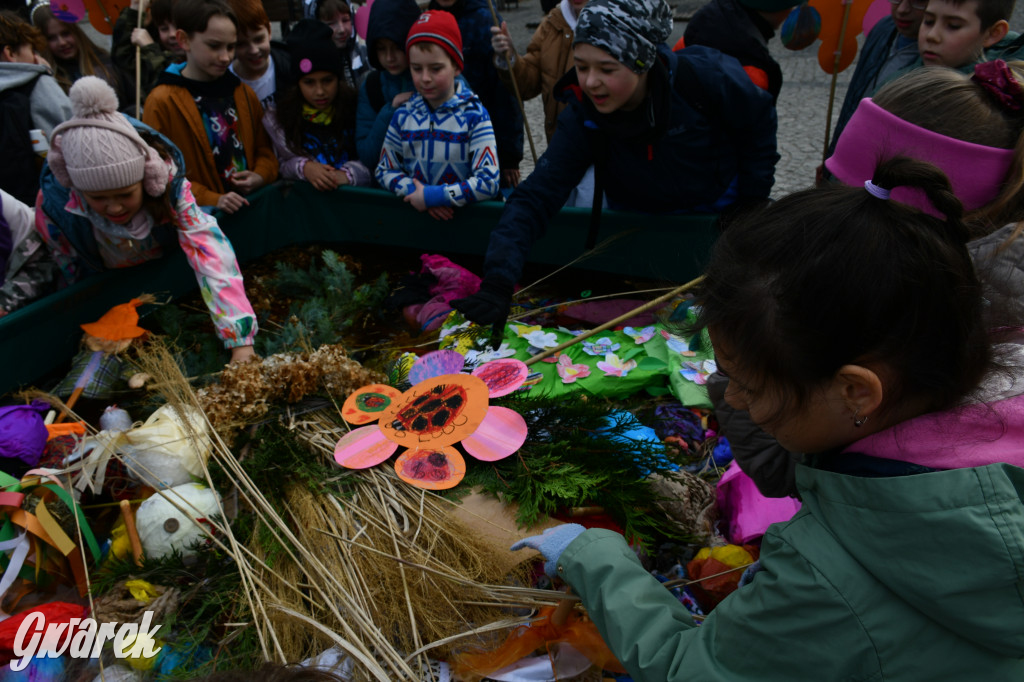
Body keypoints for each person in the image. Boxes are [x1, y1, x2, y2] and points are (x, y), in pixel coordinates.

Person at [511, 156, 1024, 680]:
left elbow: (692, 670)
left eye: (750, 385)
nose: (731, 399)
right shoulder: (979, 424)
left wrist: (591, 555)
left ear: (855, 391)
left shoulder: (823, 578)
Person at [711, 60, 1024, 500]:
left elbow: (790, 471)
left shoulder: (920, 325)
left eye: (852, 201)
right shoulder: (946, 290)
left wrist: (746, 362)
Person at [452, 0, 778, 327]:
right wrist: (497, 282)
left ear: (642, 62)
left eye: (606, 69)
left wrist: (750, 202)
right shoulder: (583, 112)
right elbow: (535, 197)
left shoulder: (705, 79)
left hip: (712, 213)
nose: (590, 82)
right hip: (631, 218)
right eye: (581, 66)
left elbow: (758, 124)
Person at [27, 77, 257, 361]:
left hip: (173, 284)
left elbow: (210, 252)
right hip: (113, 294)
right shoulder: (56, 207)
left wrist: (239, 339)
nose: (113, 208)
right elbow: (70, 270)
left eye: (125, 194)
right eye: (97, 198)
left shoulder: (170, 189)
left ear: (148, 178)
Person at [142, 0, 279, 213]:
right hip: (202, 222)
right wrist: (212, 198)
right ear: (184, 40)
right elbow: (160, 174)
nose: (225, 57)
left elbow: (265, 149)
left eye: (231, 47)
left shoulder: (243, 93)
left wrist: (260, 174)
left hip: (253, 212)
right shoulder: (162, 102)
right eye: (214, 46)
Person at [375, 11, 500, 219]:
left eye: (435, 68)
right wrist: (417, 194)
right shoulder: (403, 115)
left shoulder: (475, 115)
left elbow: (489, 181)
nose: (425, 78)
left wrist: (435, 196)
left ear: (456, 66)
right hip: (417, 226)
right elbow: (384, 170)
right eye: (416, 68)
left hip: (466, 226)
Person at [263, 20, 370, 190]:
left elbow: (371, 158)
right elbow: (282, 164)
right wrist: (304, 168)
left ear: (338, 78)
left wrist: (348, 175)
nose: (320, 91)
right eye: (309, 82)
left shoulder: (355, 107)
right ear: (297, 83)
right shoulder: (281, 117)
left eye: (327, 81)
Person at [429, 0, 524, 187]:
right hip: (442, 145)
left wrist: (509, 156)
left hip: (486, 142)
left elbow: (505, 91)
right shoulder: (429, 19)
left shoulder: (485, 19)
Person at [826, 0, 926, 158]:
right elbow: (854, 98)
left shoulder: (935, 59)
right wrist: (833, 155)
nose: (902, 9)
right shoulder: (883, 29)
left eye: (917, 2)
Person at [0, 10, 72, 205]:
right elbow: (71, 137)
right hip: (48, 203)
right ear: (11, 53)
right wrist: (46, 76)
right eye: (31, 51)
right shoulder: (38, 84)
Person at [489, 0, 584, 143]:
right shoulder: (551, 23)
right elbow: (528, 83)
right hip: (560, 147)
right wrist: (510, 57)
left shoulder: (617, 21)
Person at [682, 0, 801, 103]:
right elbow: (755, 125)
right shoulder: (753, 72)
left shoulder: (703, 22)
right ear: (780, 9)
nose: (792, 11)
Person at [354, 0, 419, 170]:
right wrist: (389, 112)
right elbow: (367, 156)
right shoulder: (372, 86)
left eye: (397, 47)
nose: (389, 57)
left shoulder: (439, 79)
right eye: (382, 49)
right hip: (388, 189)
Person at [31, 4, 126, 102]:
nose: (62, 42)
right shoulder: (49, 81)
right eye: (51, 38)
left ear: (76, 32)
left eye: (65, 33)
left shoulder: (105, 63)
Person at [111, 0, 185, 109]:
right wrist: (135, 11)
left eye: (179, 27)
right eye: (164, 29)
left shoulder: (200, 60)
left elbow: (171, 84)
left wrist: (151, 49)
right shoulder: (155, 55)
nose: (172, 34)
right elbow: (122, 58)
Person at [226, 0, 290, 111]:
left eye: (259, 39)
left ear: (269, 32)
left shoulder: (289, 67)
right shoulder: (224, 82)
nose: (254, 50)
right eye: (241, 44)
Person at [313, 0, 369, 89]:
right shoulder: (314, 63)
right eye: (331, 23)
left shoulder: (365, 55)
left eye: (345, 20)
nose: (342, 29)